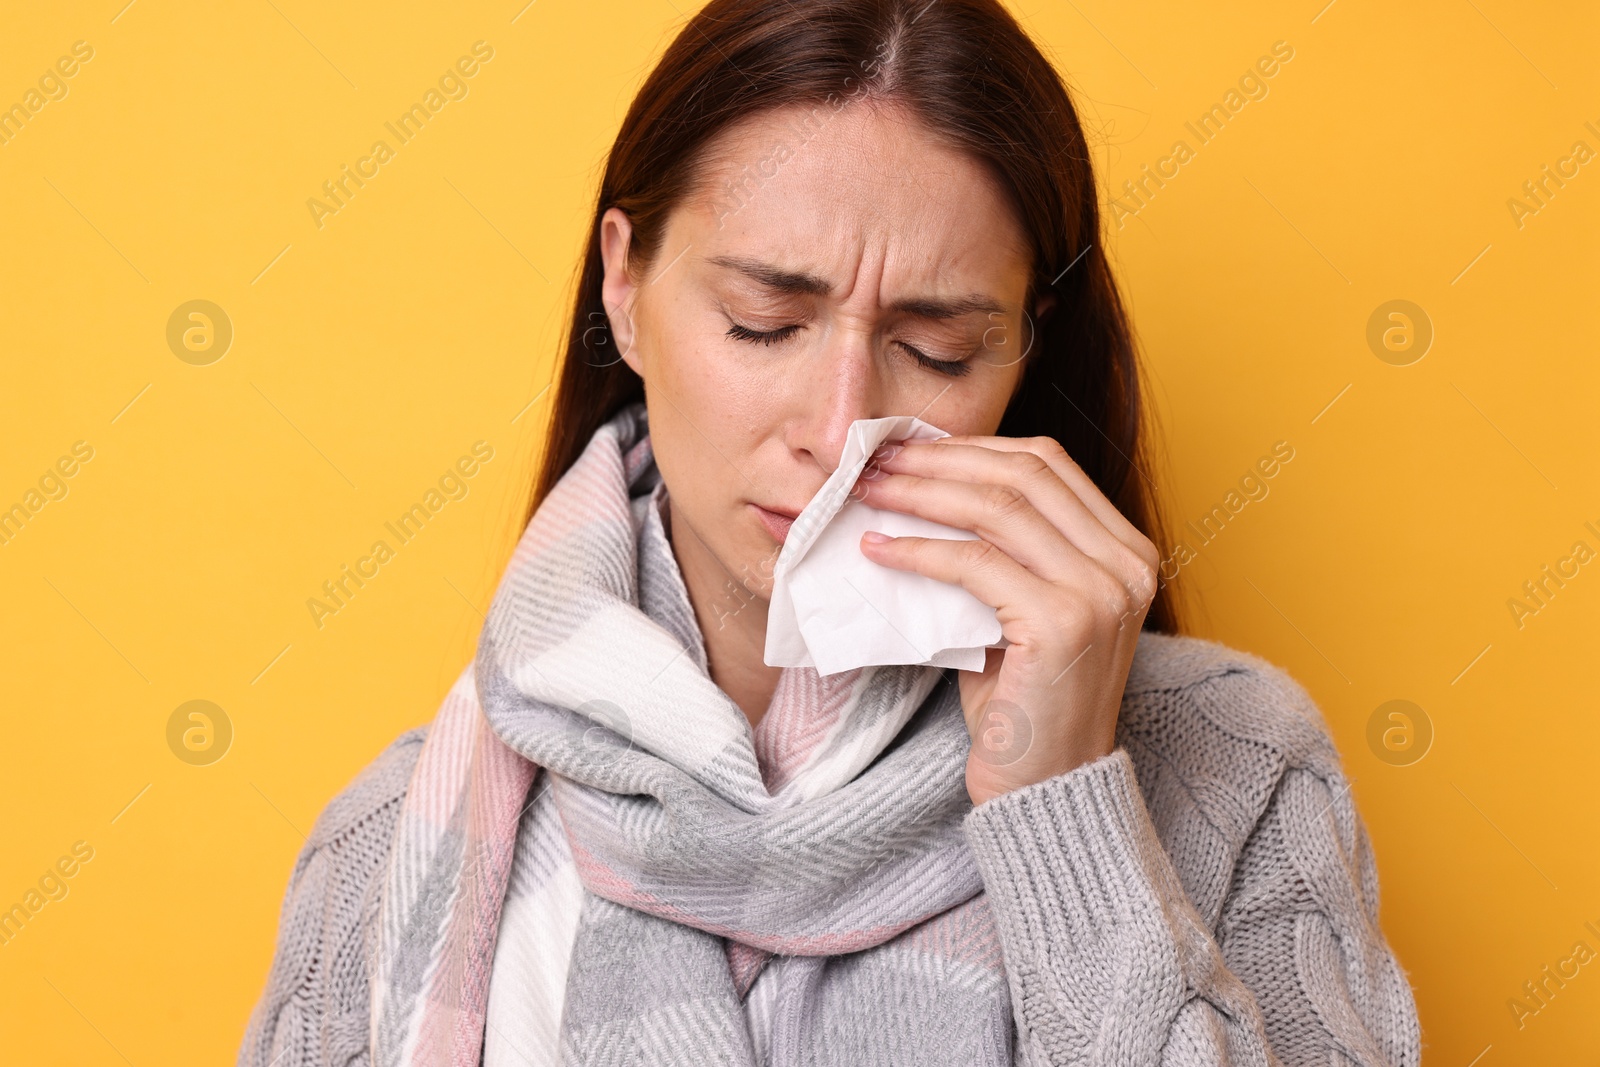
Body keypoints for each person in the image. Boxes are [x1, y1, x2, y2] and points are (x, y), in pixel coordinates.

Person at [238, 1, 1422, 1064]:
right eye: (764, 322)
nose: (842, 424)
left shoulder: (1233, 764)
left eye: (938, 348)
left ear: (1023, 346)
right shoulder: (392, 844)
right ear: (623, 287)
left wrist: (1060, 801)